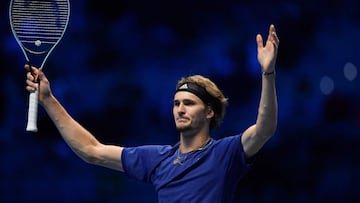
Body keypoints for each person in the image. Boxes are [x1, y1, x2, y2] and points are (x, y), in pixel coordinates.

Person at [25, 24, 279, 202]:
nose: (180, 108)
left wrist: (268, 73)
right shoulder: (157, 159)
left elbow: (264, 128)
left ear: (209, 112)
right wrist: (47, 99)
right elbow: (92, 151)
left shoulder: (226, 153)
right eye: (176, 103)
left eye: (189, 103)